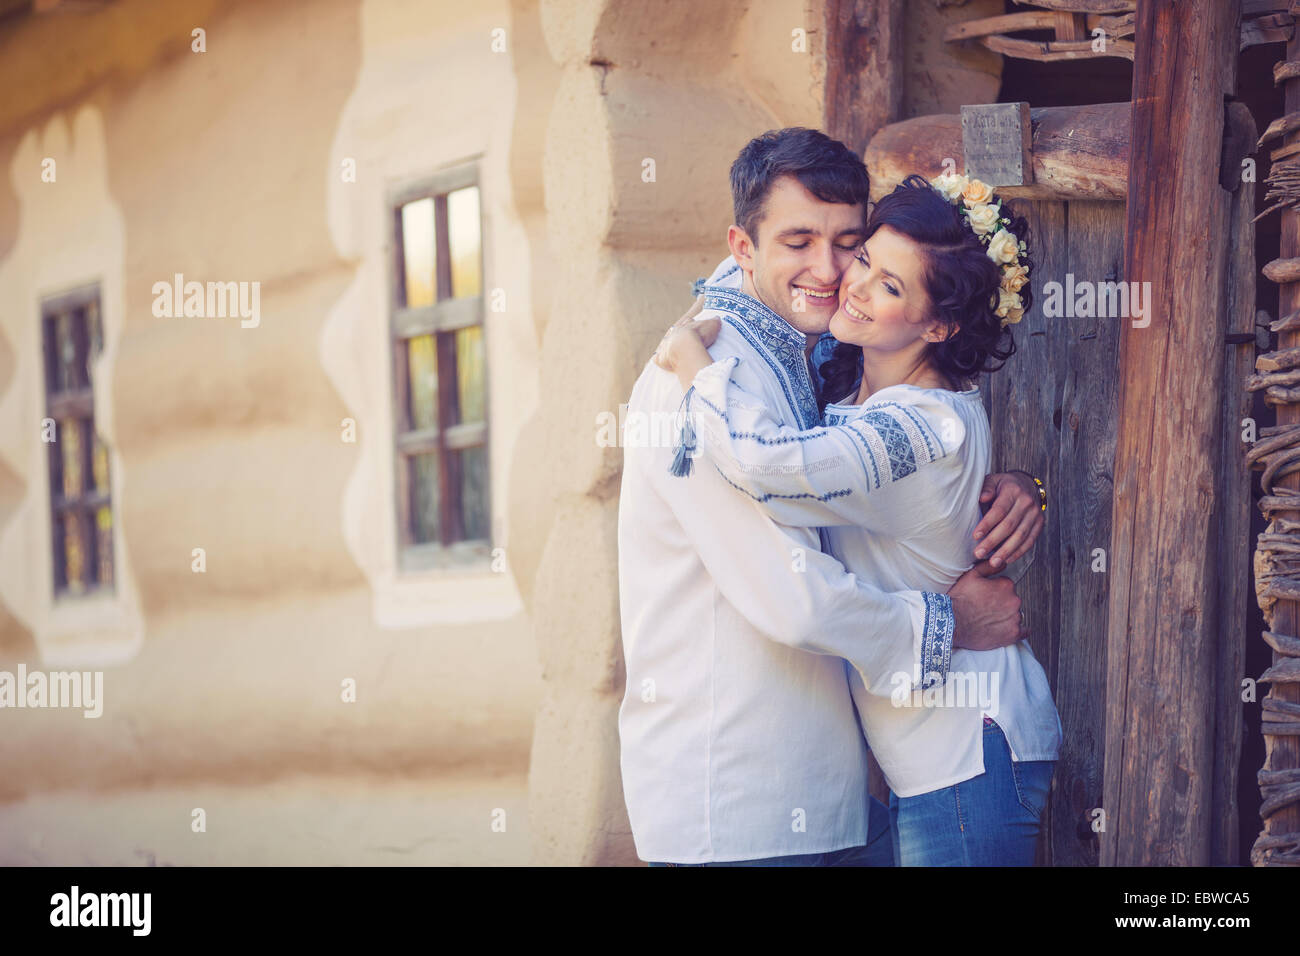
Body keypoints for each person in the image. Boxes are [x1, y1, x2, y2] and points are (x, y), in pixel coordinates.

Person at [616, 128, 1047, 866]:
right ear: (742, 247)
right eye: (797, 240)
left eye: (850, 242)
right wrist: (948, 622)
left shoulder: (817, 352)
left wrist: (1017, 486)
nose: (830, 270)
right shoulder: (703, 374)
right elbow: (793, 598)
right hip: (737, 795)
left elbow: (911, 462)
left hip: (842, 789)